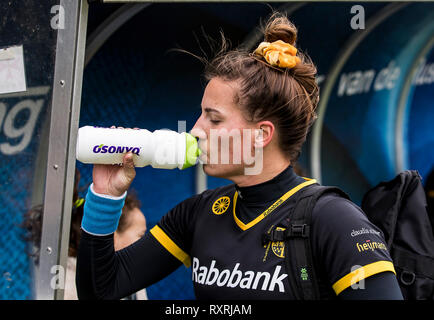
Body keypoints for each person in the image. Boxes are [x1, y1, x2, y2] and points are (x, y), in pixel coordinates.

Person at [76, 12, 403, 300]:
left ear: (262, 134)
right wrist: (106, 195)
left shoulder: (334, 220)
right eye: (200, 115)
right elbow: (102, 289)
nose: (196, 130)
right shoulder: (198, 214)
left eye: (213, 119)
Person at [22, 169, 147, 300]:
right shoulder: (64, 277)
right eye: (140, 235)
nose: (145, 243)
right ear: (112, 235)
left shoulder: (131, 276)